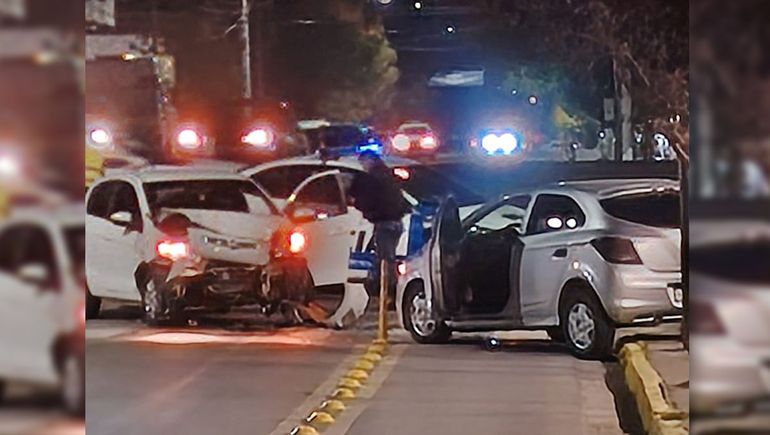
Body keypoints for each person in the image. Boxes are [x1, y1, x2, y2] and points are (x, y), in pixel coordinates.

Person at [347, 151, 410, 299]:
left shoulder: (373, 179)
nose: (362, 166)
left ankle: (391, 294)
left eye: (363, 163)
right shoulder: (388, 175)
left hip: (384, 222)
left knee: (385, 261)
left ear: (369, 161)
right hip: (396, 222)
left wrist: (359, 206)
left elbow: (369, 201)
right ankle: (381, 289)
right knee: (387, 258)